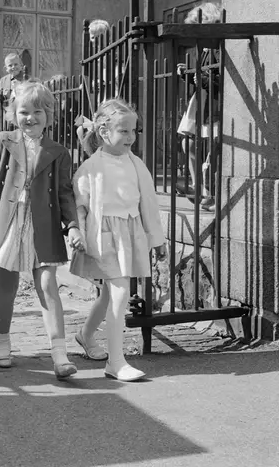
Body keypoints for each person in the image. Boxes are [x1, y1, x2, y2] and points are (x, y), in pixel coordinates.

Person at [0, 80, 85, 380]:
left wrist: (72, 225)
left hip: (43, 224)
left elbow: (65, 193)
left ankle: (59, 354)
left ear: (49, 115)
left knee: (47, 285)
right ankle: (2, 342)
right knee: (7, 286)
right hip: (9, 221)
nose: (30, 118)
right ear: (12, 114)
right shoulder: (0, 141)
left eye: (38, 112)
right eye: (23, 112)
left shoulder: (58, 152)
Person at [72, 98, 166, 382]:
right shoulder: (91, 167)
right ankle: (116, 362)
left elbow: (148, 203)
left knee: (110, 293)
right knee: (120, 292)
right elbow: (80, 204)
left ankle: (85, 334)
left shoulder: (136, 164)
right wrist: (78, 233)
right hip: (103, 236)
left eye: (133, 131)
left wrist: (157, 239)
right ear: (103, 132)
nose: (131, 137)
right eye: (124, 131)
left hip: (129, 233)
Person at [176, 2, 222, 211]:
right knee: (190, 145)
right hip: (203, 102)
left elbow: (223, 80)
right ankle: (200, 189)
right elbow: (202, 76)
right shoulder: (205, 48)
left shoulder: (220, 46)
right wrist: (188, 74)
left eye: (197, 28)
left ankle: (210, 194)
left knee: (213, 151)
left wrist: (201, 79)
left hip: (215, 104)